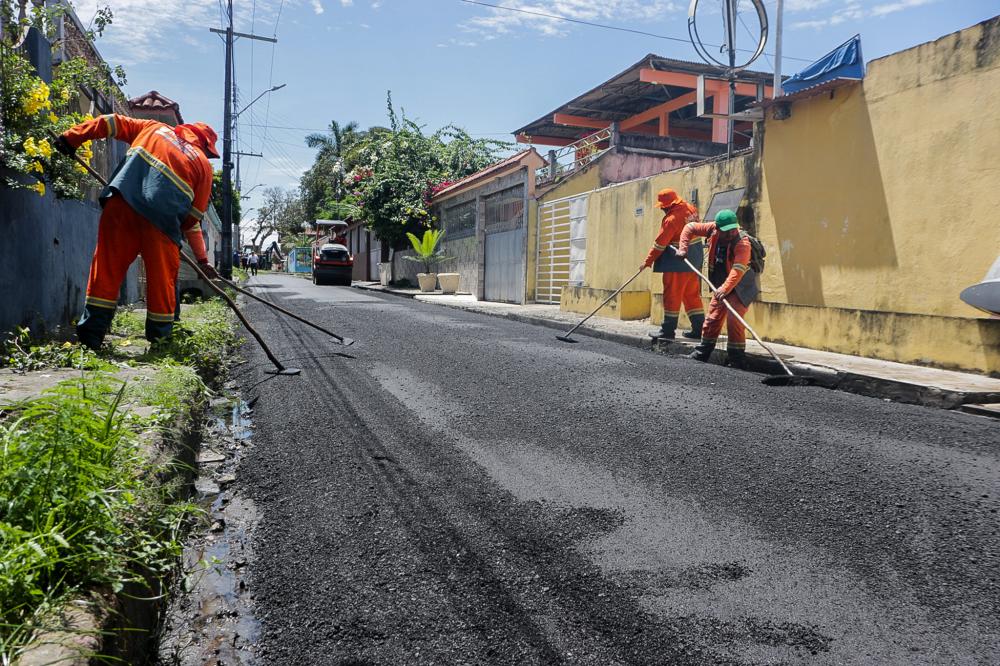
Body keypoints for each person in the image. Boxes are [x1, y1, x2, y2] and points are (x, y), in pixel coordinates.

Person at [54, 114, 219, 349]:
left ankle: (91, 337)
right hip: (162, 224)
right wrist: (200, 258)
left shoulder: (153, 128)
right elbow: (193, 220)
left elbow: (109, 122)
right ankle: (160, 341)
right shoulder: (202, 165)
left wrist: (72, 138)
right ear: (204, 145)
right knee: (162, 282)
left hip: (121, 204)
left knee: (106, 271)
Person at [674, 209, 760, 369]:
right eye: (727, 231)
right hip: (720, 284)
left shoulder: (742, 243)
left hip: (740, 286)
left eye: (733, 229)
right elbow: (690, 227)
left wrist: (725, 289)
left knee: (734, 320)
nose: (731, 234)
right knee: (712, 319)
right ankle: (701, 354)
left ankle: (737, 360)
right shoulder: (712, 228)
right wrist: (683, 248)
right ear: (718, 229)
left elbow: (737, 271)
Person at [638, 188, 704, 339]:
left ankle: (667, 331)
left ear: (667, 206)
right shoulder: (690, 208)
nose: (662, 209)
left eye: (662, 206)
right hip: (694, 261)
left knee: (672, 296)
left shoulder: (671, 220)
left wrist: (647, 262)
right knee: (691, 295)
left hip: (677, 263)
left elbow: (660, 244)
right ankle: (699, 329)